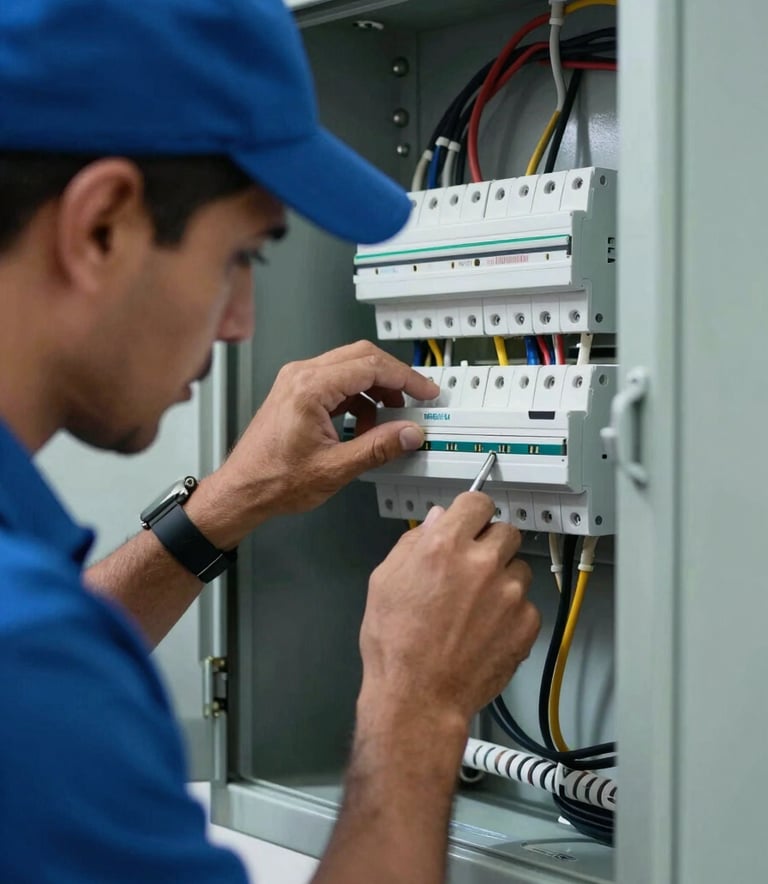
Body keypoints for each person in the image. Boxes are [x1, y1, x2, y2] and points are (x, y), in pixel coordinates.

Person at [0, 1, 540, 882]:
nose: (245, 325)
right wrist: (418, 704)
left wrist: (223, 506)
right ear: (102, 227)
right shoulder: (32, 667)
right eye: (241, 256)